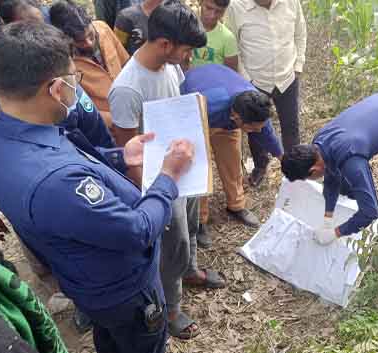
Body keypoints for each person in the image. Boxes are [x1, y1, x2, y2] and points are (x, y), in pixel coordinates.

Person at [0, 22, 199, 353]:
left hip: (83, 279)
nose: (76, 88)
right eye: (75, 80)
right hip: (124, 289)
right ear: (57, 89)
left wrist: (117, 156)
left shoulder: (0, 129)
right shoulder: (57, 181)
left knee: (111, 338)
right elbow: (137, 230)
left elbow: (67, 153)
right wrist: (168, 177)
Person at [109, 3, 224, 340]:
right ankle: (170, 306)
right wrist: (156, 193)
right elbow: (129, 155)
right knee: (173, 242)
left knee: (190, 225)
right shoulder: (128, 89)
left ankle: (190, 271)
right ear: (164, 44)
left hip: (184, 166)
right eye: (185, 49)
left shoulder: (170, 68)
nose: (188, 56)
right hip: (160, 180)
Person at [281, 91, 378, 244]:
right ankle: (355, 198)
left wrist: (335, 233)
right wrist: (327, 217)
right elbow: (331, 178)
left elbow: (371, 212)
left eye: (308, 177)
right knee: (344, 181)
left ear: (313, 170)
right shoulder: (318, 144)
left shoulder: (351, 159)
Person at [181, 64, 282, 246]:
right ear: (236, 117)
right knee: (201, 169)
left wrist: (284, 158)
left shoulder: (255, 106)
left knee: (233, 161)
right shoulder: (207, 105)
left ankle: (236, 205)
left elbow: (266, 133)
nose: (257, 131)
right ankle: (199, 221)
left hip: (226, 116)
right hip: (197, 116)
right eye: (252, 128)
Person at [226, 0, 306, 187]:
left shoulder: (291, 2)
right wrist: (246, 79)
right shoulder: (236, 7)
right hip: (255, 80)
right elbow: (234, 44)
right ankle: (260, 166)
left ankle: (293, 169)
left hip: (287, 77)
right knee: (255, 128)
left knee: (291, 125)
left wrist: (298, 65)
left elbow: (300, 32)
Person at [50, 0, 130, 129]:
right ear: (64, 38)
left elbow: (126, 63)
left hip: (130, 111)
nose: (88, 43)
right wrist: (116, 120)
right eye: (80, 41)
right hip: (104, 128)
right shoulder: (62, 62)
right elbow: (75, 107)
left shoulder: (103, 28)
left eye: (91, 36)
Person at [189, 0, 237, 71]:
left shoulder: (228, 38)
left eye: (219, 11)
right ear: (200, 2)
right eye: (208, 8)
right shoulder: (187, 27)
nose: (212, 15)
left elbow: (230, 74)